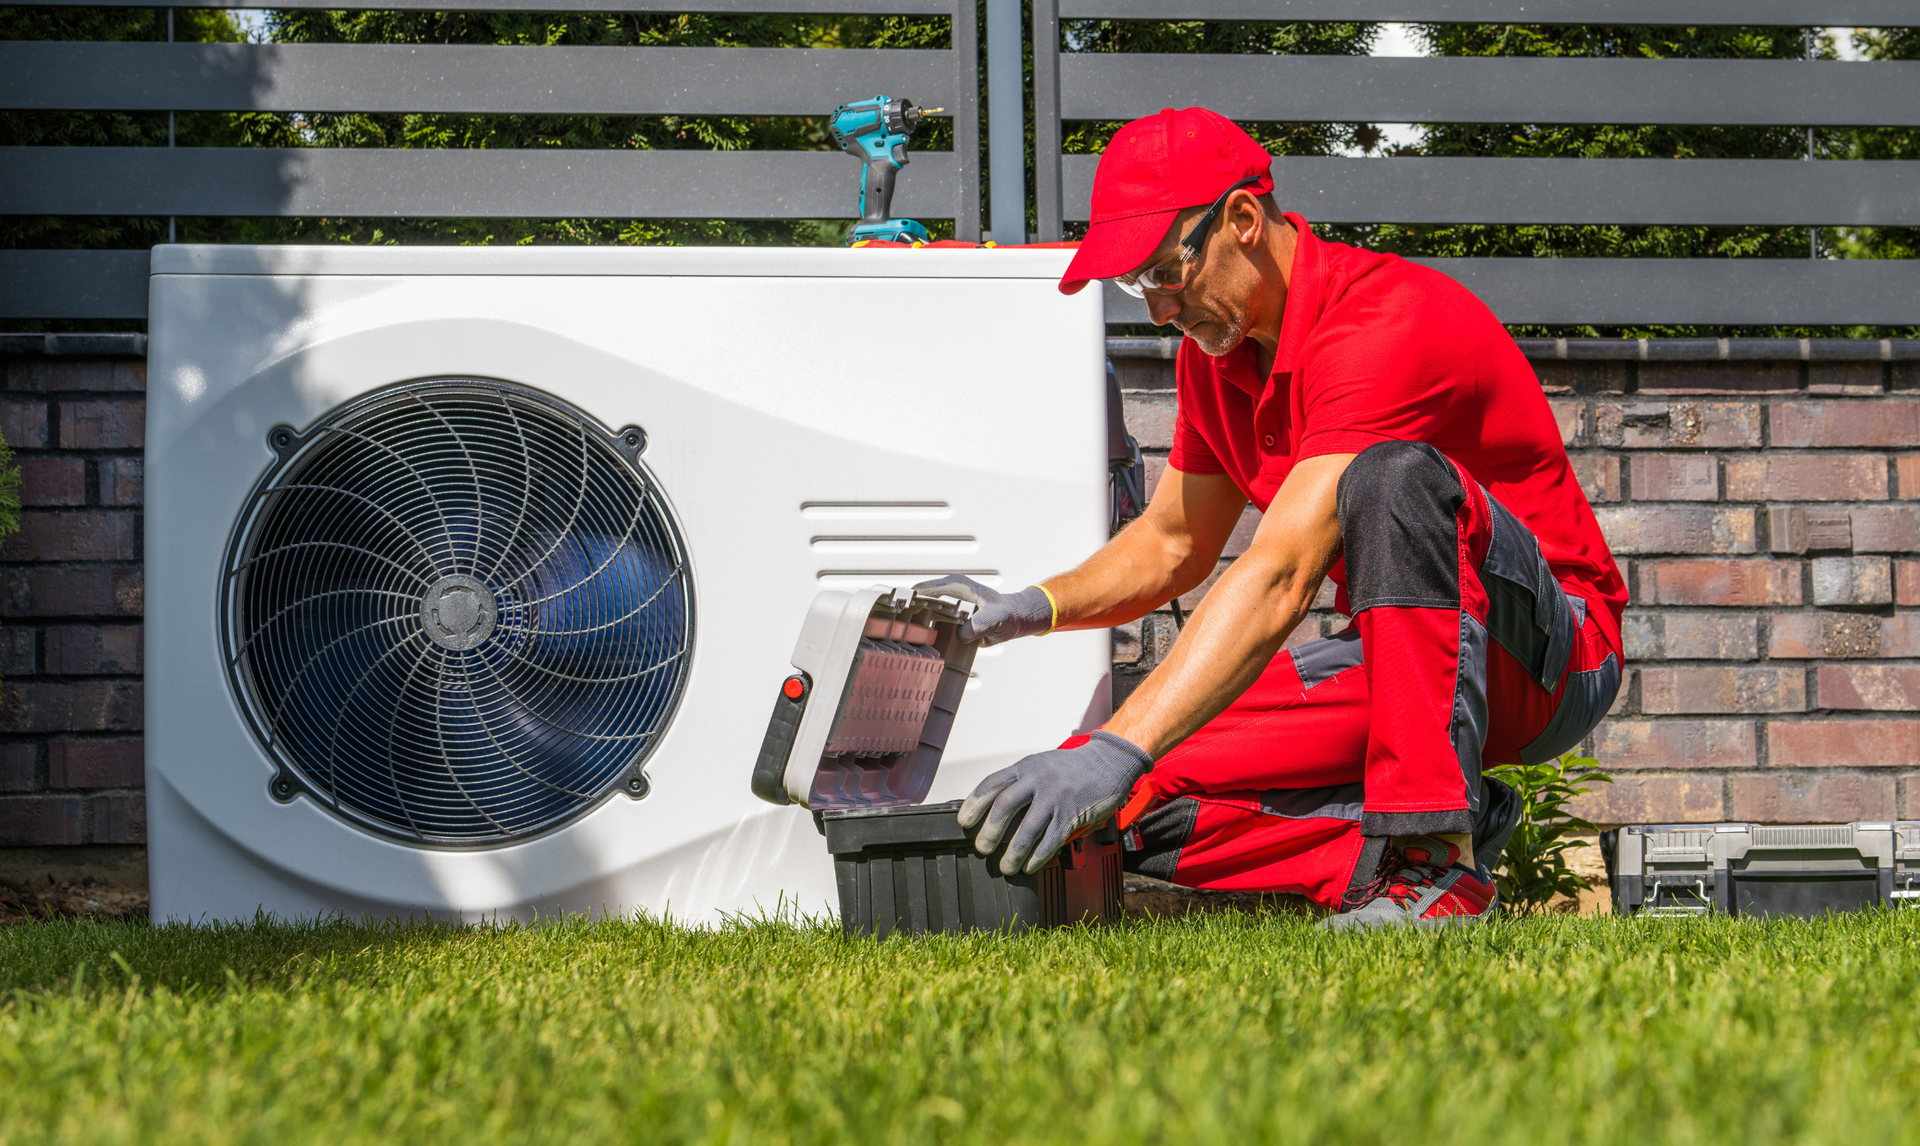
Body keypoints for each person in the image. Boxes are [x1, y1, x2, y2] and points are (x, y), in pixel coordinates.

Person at [915, 107, 1625, 929]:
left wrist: (1121, 741)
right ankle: (1420, 840)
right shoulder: (1214, 360)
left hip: (1549, 655)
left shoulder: (1385, 322)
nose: (1156, 311)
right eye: (1134, 286)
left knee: (1392, 478)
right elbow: (1172, 542)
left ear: (1243, 220)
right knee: (1121, 800)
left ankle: (1435, 863)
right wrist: (1027, 609)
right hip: (1403, 662)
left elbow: (1282, 570)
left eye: (1164, 274)